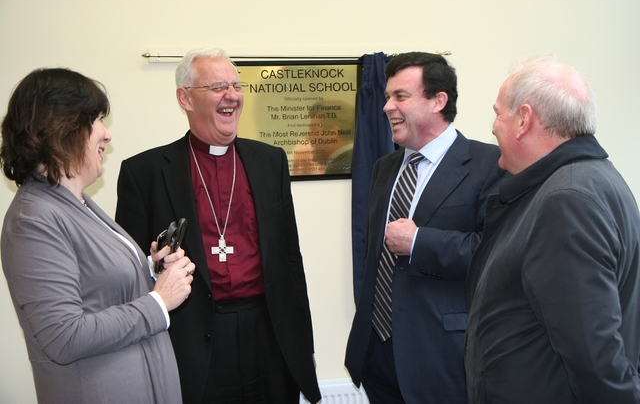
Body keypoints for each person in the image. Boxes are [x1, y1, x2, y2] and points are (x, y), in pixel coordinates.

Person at [115, 47, 321, 404]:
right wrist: (153, 264)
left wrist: (304, 346)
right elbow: (128, 274)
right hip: (194, 339)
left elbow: (291, 259)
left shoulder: (270, 161)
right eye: (217, 87)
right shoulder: (144, 173)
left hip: (269, 334)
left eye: (236, 86)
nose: (232, 95)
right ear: (185, 98)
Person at [0, 68, 196, 404]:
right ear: (63, 126)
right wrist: (158, 302)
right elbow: (64, 336)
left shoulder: (75, 203)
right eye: (97, 120)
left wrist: (151, 270)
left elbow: (96, 288)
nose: (106, 134)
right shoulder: (33, 220)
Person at [464, 56, 640, 403]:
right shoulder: (589, 180)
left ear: (523, 120)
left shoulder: (566, 200)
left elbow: (595, 358)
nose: (493, 126)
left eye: (498, 113)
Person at [344, 52, 505, 404]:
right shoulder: (385, 168)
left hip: (441, 358)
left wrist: (420, 242)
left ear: (438, 101)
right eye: (387, 97)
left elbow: (495, 254)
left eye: (400, 96)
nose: (387, 107)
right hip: (377, 354)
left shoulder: (489, 164)